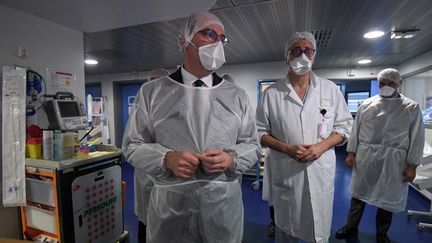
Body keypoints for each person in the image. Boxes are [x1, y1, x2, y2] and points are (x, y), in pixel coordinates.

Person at [122, 12, 260, 243]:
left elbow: (253, 145)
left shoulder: (236, 95)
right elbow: (132, 145)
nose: (217, 43)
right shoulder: (152, 92)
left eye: (222, 38)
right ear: (185, 40)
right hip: (171, 208)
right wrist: (166, 159)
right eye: (209, 34)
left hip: (222, 207)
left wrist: (231, 159)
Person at [256, 31, 353, 243]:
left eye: (308, 50)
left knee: (317, 229)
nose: (302, 56)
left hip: (320, 169)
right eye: (296, 51)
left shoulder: (330, 89)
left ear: (315, 55)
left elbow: (345, 127)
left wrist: (321, 146)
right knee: (286, 229)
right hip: (286, 170)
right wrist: (286, 148)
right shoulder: (272, 94)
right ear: (287, 57)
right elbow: (260, 132)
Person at [335, 68, 425, 243]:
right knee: (358, 194)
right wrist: (351, 152)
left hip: (394, 160)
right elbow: (356, 131)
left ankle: (382, 234)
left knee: (388, 198)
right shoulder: (367, 105)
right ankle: (350, 227)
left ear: (398, 84)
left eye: (390, 83)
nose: (386, 87)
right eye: (382, 84)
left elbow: (417, 138)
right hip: (366, 156)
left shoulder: (411, 107)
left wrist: (412, 165)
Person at [133, 68, 170, 243]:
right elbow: (133, 144)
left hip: (171, 176)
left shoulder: (175, 103)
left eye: (161, 81)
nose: (157, 85)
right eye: (153, 81)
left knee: (168, 220)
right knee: (146, 218)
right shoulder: (141, 105)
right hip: (146, 171)